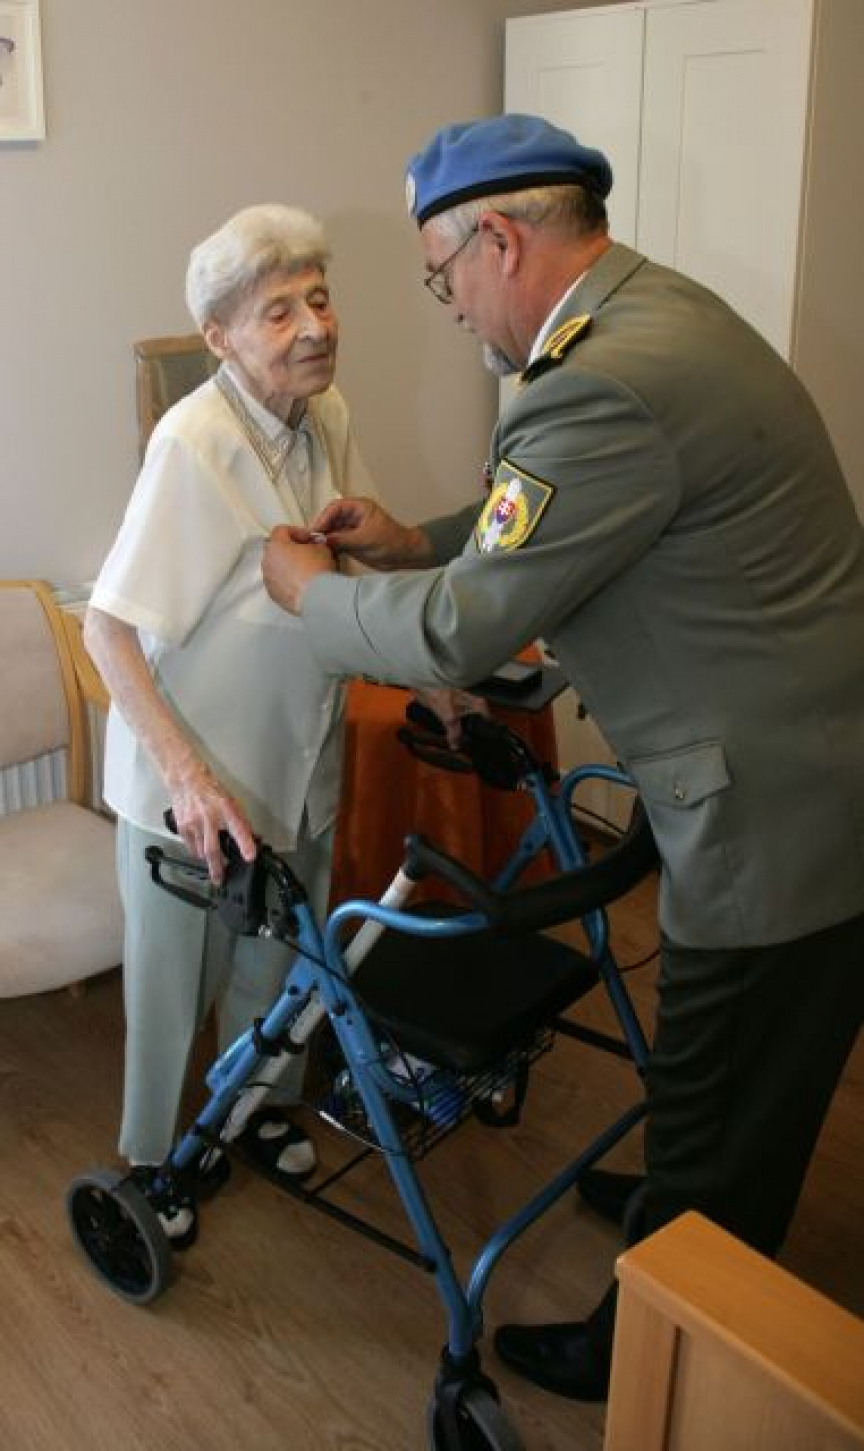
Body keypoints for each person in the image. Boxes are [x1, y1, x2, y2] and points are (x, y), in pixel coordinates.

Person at [260, 112, 864, 1401]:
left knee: (726, 1074)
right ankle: (687, 1193)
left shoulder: (593, 381)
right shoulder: (652, 314)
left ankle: (657, 1350)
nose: (451, 309)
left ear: (498, 239)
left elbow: (461, 632)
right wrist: (412, 541)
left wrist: (311, 593)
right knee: (721, 1071)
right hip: (806, 747)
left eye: (444, 277)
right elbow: (546, 517)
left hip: (788, 807)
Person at [86, 203, 374, 1244]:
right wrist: (188, 777)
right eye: (278, 311)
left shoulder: (326, 413)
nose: (314, 326)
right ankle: (151, 1160)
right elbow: (109, 629)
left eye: (319, 298)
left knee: (280, 962)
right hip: (193, 781)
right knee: (177, 986)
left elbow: (353, 550)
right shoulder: (194, 440)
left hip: (297, 749)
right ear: (220, 337)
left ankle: (252, 1113)